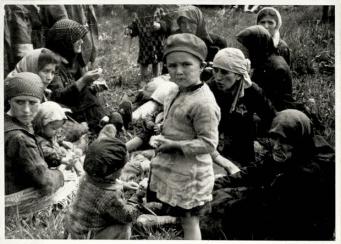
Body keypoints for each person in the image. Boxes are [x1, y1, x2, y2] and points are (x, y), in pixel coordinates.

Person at [210, 109, 335, 240]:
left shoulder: (314, 169)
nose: (276, 146)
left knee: (232, 212)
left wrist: (226, 198)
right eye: (274, 138)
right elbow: (257, 171)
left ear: (297, 141)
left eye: (283, 141)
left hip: (303, 227)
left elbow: (268, 198)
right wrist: (217, 183)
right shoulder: (296, 147)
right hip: (281, 204)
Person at [147, 33, 221, 240]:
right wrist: (161, 127)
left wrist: (173, 144)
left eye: (186, 64)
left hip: (192, 173)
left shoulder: (203, 102)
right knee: (179, 211)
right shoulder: (173, 91)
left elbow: (208, 143)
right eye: (172, 66)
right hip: (176, 168)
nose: (178, 71)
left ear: (202, 65)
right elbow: (175, 119)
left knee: (190, 220)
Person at [64, 125, 139, 239]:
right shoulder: (110, 197)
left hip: (73, 227)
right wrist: (137, 197)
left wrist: (123, 185)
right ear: (111, 174)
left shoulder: (87, 177)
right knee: (124, 227)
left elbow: (103, 185)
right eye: (121, 168)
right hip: (86, 236)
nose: (123, 170)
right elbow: (128, 216)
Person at [207, 48, 276, 167]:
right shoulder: (209, 88)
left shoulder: (251, 91)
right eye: (215, 70)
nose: (218, 77)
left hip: (241, 149)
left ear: (238, 76)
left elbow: (272, 118)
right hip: (213, 147)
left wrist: (261, 141)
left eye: (224, 72)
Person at [4, 72, 64, 197]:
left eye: (32, 103)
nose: (26, 110)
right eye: (19, 102)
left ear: (40, 102)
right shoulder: (19, 137)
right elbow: (47, 184)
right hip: (13, 197)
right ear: (9, 100)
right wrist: (60, 174)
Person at [46, 19, 107, 132]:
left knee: (91, 93)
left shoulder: (73, 58)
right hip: (64, 110)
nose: (81, 42)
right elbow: (57, 97)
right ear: (64, 42)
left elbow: (78, 88)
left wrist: (90, 84)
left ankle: (102, 121)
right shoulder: (51, 64)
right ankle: (101, 122)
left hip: (77, 105)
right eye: (76, 39)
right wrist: (83, 81)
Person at [237, 25, 294, 111]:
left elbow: (272, 105)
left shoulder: (277, 68)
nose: (244, 51)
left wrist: (250, 86)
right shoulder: (264, 60)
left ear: (256, 47)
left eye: (247, 47)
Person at [32, 101, 84, 175]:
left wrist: (62, 142)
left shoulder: (48, 134)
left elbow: (55, 139)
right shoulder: (39, 139)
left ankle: (79, 171)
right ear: (41, 125)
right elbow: (47, 153)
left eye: (59, 127)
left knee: (70, 152)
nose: (57, 131)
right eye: (54, 128)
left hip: (56, 157)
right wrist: (62, 160)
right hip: (48, 166)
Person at [125, 5, 168, 81]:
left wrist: (160, 25)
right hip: (145, 46)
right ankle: (143, 80)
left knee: (156, 61)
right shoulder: (140, 13)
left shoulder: (159, 11)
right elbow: (134, 25)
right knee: (144, 63)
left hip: (156, 44)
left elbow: (166, 24)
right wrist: (129, 29)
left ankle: (156, 79)